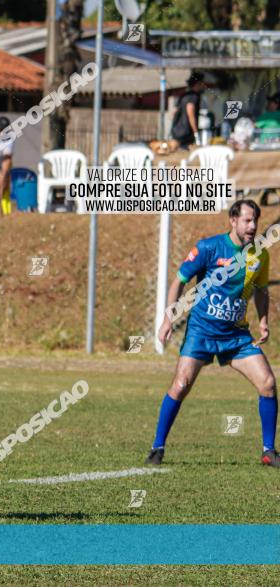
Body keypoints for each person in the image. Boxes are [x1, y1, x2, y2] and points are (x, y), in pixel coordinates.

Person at [146, 199, 279, 468]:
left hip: (236, 336)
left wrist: (263, 320)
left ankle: (268, 451)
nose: (253, 226)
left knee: (267, 383)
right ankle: (157, 447)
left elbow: (261, 290)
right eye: (247, 220)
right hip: (201, 332)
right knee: (181, 385)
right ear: (233, 220)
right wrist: (168, 318)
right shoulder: (208, 247)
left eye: (255, 220)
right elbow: (179, 281)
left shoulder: (260, 254)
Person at [170, 72, 206, 149]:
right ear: (197, 84)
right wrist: (196, 133)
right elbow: (191, 115)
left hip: (177, 131)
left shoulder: (184, 95)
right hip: (185, 134)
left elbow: (173, 113)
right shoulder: (193, 96)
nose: (203, 85)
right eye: (202, 83)